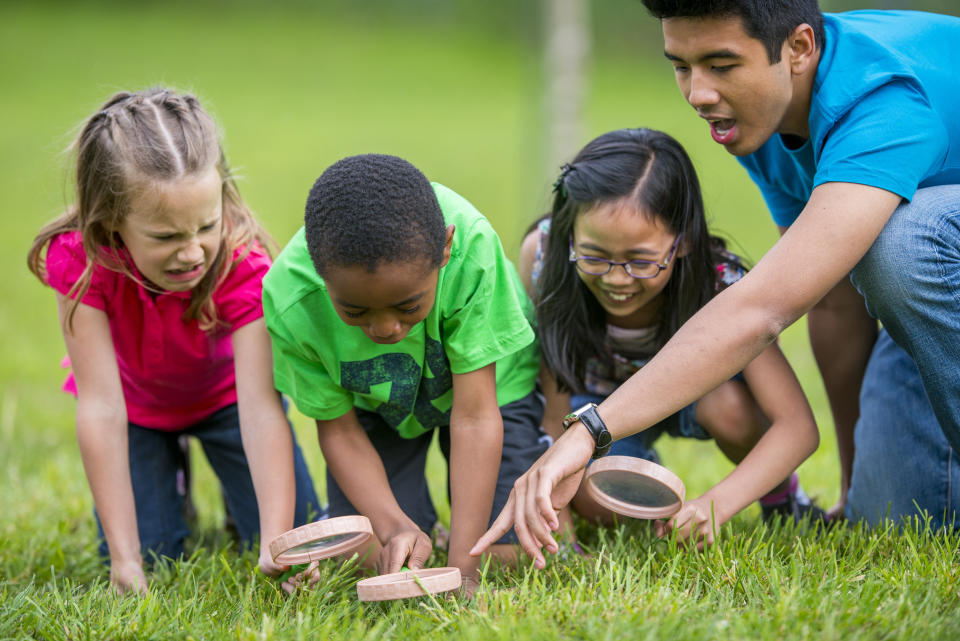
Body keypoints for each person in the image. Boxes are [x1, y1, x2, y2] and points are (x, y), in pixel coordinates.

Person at [472, 2, 960, 567]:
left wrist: (586, 432)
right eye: (682, 66)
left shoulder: (880, 103)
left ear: (799, 48)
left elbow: (761, 309)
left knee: (904, 243)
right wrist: (853, 488)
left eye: (721, 65)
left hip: (934, 259)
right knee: (895, 517)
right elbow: (829, 297)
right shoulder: (772, 114)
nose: (698, 93)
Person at [27, 88, 321, 594]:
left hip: (227, 403)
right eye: (165, 237)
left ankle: (237, 493)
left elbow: (260, 408)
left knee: (302, 533)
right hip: (136, 409)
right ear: (110, 222)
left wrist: (278, 536)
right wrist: (124, 559)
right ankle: (170, 472)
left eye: (206, 226)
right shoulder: (80, 260)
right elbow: (100, 407)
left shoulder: (243, 264)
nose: (192, 252)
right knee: (152, 557)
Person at [262, 153, 550, 596]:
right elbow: (338, 431)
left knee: (506, 554)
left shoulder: (471, 246)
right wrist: (394, 525)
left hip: (489, 398)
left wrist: (464, 566)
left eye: (408, 306)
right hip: (381, 407)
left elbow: (475, 417)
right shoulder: (291, 298)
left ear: (445, 250)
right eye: (355, 311)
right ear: (321, 276)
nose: (385, 329)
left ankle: (460, 540)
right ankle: (416, 527)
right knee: (370, 553)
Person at [520, 127, 820, 534]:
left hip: (700, 398)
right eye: (594, 256)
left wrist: (717, 504)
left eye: (641, 261)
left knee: (729, 409)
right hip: (595, 404)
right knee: (599, 504)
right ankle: (649, 490)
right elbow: (552, 400)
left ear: (683, 241)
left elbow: (797, 427)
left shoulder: (722, 287)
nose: (617, 279)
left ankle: (781, 498)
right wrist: (563, 520)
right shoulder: (543, 258)